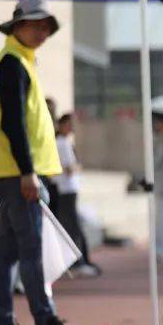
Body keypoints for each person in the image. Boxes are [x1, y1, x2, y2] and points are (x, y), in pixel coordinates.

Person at [0, 0, 83, 325]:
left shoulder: (19, 61)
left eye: (46, 27)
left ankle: (3, 323)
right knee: (30, 248)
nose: (41, 32)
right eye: (35, 25)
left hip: (10, 173)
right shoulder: (13, 64)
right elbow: (14, 124)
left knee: (8, 251)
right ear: (17, 26)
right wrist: (27, 171)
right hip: (18, 174)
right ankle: (45, 320)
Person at [52, 113, 100, 276]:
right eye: (69, 124)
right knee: (71, 226)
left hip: (68, 189)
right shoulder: (62, 143)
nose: (72, 127)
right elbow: (70, 169)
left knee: (72, 225)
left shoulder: (65, 142)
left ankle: (80, 260)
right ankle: (77, 262)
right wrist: (78, 167)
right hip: (66, 189)